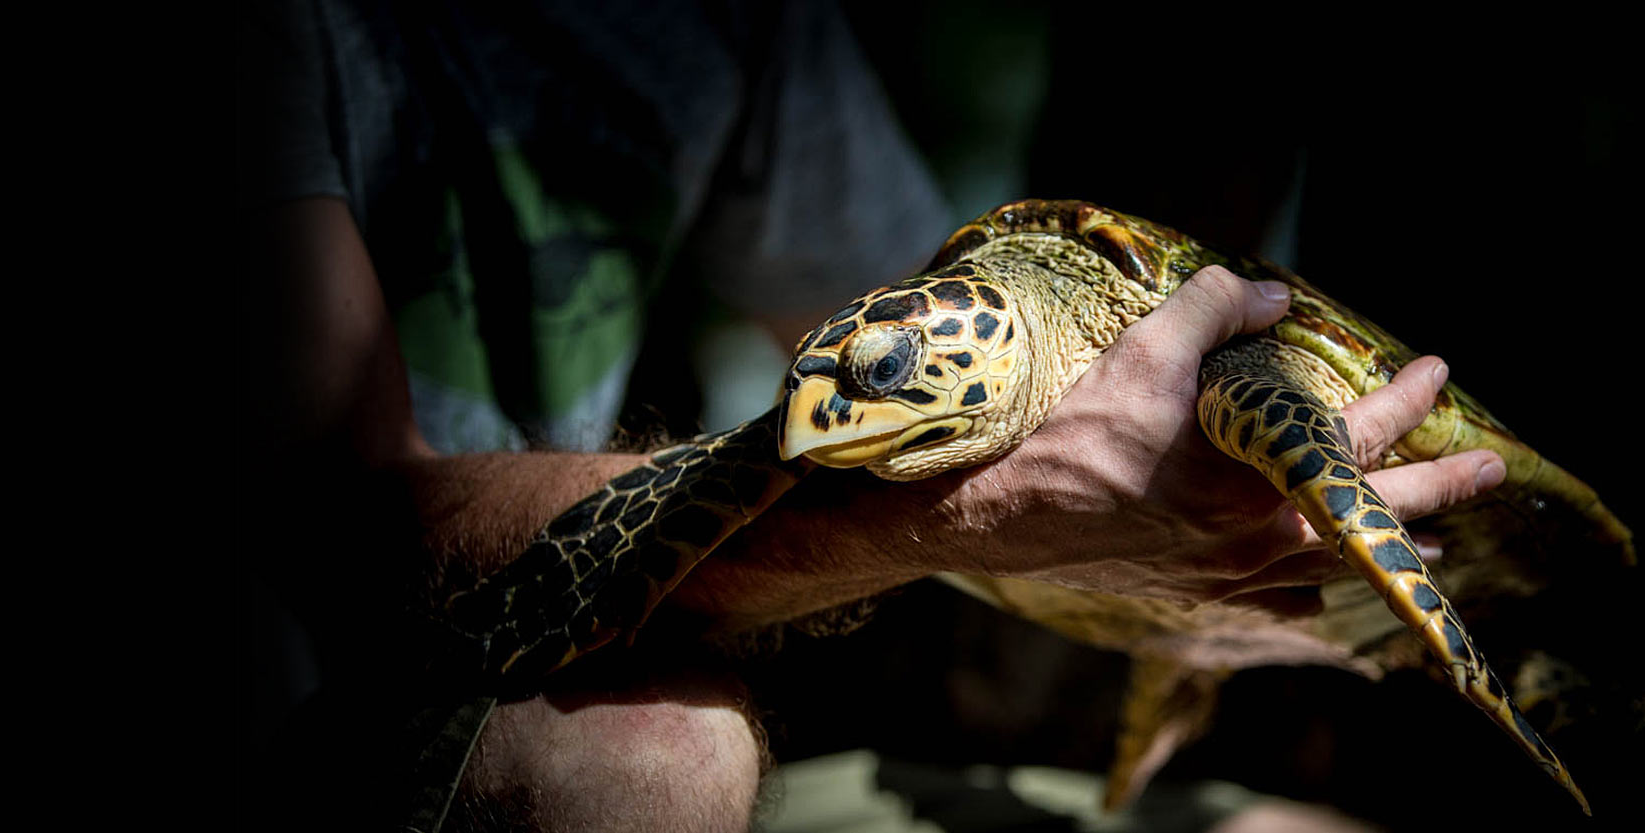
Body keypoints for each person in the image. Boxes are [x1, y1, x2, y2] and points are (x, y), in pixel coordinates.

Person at [241, 2, 1506, 830]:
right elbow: (341, 534)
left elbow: (964, 324)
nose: (825, 405)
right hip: (329, 712)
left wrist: (1173, 571)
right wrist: (969, 509)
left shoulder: (722, 27)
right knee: (650, 759)